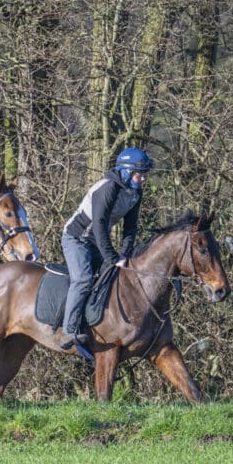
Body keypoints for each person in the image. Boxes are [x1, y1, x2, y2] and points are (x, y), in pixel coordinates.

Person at [60, 147, 153, 349]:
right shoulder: (108, 188)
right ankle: (69, 330)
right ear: (127, 172)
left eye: (146, 174)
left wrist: (125, 255)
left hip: (95, 242)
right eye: (141, 174)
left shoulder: (136, 193)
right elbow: (100, 225)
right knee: (83, 279)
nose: (144, 179)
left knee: (112, 279)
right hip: (76, 239)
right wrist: (112, 257)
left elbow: (130, 228)